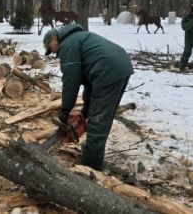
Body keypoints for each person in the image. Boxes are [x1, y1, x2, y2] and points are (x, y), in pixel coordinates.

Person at [43, 24, 134, 171]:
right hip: (120, 66)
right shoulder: (77, 38)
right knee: (102, 116)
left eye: (51, 47)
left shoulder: (67, 45)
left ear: (54, 38)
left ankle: (90, 167)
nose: (53, 52)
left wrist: (65, 110)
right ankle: (93, 153)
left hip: (108, 69)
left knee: (98, 121)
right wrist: (85, 111)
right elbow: (87, 80)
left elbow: (71, 82)